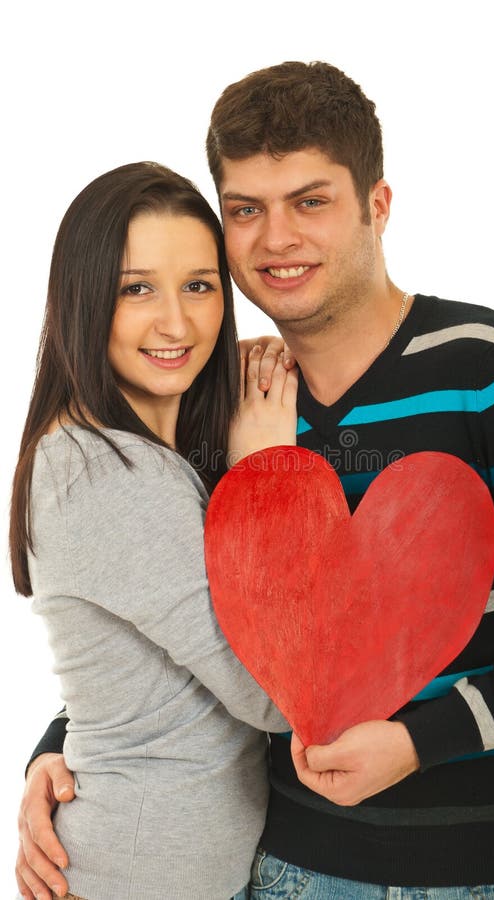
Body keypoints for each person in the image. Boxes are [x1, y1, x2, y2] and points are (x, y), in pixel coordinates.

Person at [18, 62, 494, 898]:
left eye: (311, 201)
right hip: (292, 870)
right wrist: (64, 746)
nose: (276, 238)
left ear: (378, 206)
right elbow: (179, 631)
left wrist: (422, 740)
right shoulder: (222, 408)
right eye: (246, 210)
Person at [10, 160, 299, 900]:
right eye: (136, 288)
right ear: (83, 299)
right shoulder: (107, 475)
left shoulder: (140, 456)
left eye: (200, 285)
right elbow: (274, 695)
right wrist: (266, 474)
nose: (177, 322)